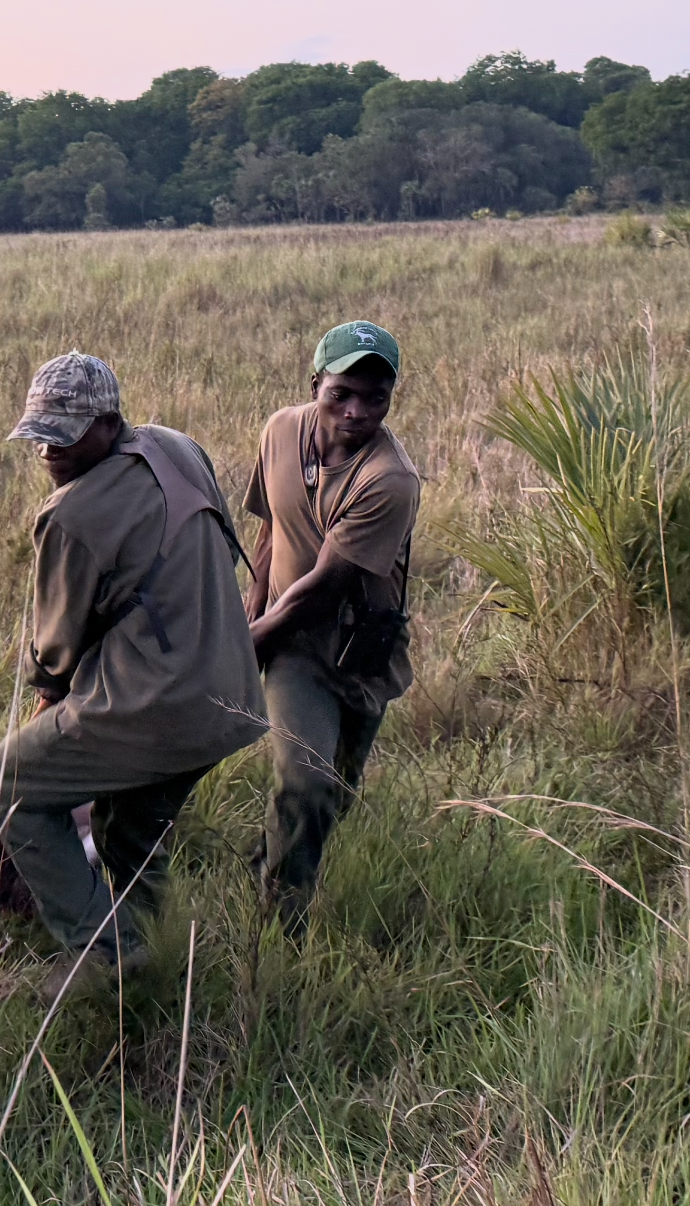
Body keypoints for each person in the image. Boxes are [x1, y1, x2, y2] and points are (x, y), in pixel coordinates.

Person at [0, 350, 267, 996]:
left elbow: (55, 656)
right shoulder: (179, 447)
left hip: (155, 707)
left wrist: (50, 708)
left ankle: (105, 953)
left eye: (65, 435)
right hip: (230, 697)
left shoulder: (70, 517)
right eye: (41, 435)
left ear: (108, 423)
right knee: (129, 832)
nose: (49, 452)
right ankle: (153, 967)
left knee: (6, 777)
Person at [242, 320, 421, 934]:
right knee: (309, 783)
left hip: (358, 649)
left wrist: (241, 649)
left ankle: (266, 860)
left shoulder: (389, 481)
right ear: (314, 382)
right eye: (340, 392)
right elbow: (269, 533)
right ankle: (279, 929)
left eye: (376, 398)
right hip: (293, 647)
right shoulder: (279, 431)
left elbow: (321, 591)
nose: (357, 410)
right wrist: (252, 618)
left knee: (332, 797)